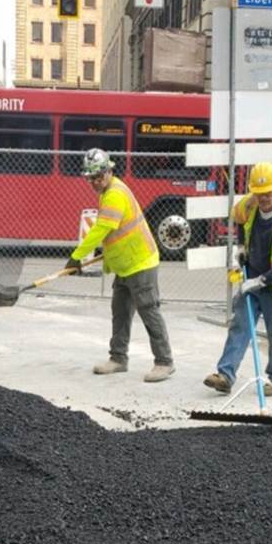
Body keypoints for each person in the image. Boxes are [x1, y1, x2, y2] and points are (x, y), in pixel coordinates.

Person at [66, 148, 174, 383]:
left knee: (149, 311)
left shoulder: (115, 194)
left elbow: (101, 230)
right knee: (120, 312)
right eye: (90, 178)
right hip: (126, 265)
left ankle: (164, 362)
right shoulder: (107, 191)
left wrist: (77, 256)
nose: (94, 182)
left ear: (109, 171)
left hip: (140, 263)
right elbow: (113, 237)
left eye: (98, 176)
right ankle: (118, 359)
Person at [203, 162, 272, 396]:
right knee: (240, 325)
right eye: (259, 194)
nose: (264, 199)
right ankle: (225, 375)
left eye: (268, 194)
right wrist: (241, 248)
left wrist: (261, 281)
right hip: (252, 275)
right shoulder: (250, 204)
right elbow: (238, 217)